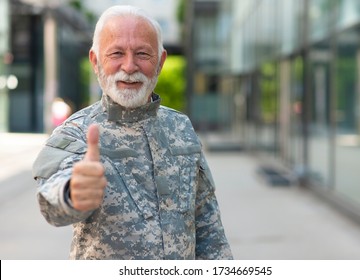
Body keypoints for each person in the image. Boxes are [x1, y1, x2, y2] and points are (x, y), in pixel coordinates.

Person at [32, 5, 233, 260]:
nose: (129, 66)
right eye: (116, 53)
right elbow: (53, 202)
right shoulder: (76, 133)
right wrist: (73, 192)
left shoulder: (181, 127)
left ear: (160, 62)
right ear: (96, 61)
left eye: (142, 54)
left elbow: (207, 224)